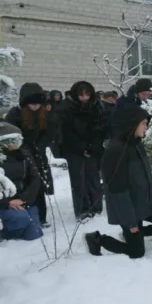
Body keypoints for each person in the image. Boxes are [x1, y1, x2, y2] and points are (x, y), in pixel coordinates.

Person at [84, 103, 152, 258]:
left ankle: (137, 235)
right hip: (128, 209)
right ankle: (97, 239)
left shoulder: (136, 145)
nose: (146, 128)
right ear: (132, 124)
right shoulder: (116, 151)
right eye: (143, 124)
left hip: (145, 202)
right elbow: (117, 191)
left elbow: (149, 179)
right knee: (137, 252)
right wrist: (131, 223)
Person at [4, 83, 54, 226]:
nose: (35, 106)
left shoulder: (44, 114)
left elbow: (49, 133)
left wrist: (39, 146)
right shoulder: (15, 114)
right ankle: (25, 216)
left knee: (38, 185)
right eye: (32, 103)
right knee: (25, 185)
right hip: (21, 156)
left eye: (38, 103)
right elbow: (10, 133)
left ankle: (41, 217)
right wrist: (23, 148)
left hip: (38, 154)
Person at [58, 81, 107, 219]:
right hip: (74, 150)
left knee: (93, 179)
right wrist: (81, 147)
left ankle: (96, 207)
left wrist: (93, 146)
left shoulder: (97, 106)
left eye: (87, 94)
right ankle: (82, 210)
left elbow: (101, 128)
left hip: (93, 149)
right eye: (81, 95)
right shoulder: (67, 108)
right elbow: (66, 132)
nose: (84, 98)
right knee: (79, 181)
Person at [0, 123, 44, 242]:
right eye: (16, 139)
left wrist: (24, 199)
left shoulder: (24, 154)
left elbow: (35, 179)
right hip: (2, 203)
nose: (19, 142)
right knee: (21, 218)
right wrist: (7, 203)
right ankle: (5, 236)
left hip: (22, 200)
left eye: (20, 139)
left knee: (35, 234)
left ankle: (18, 240)